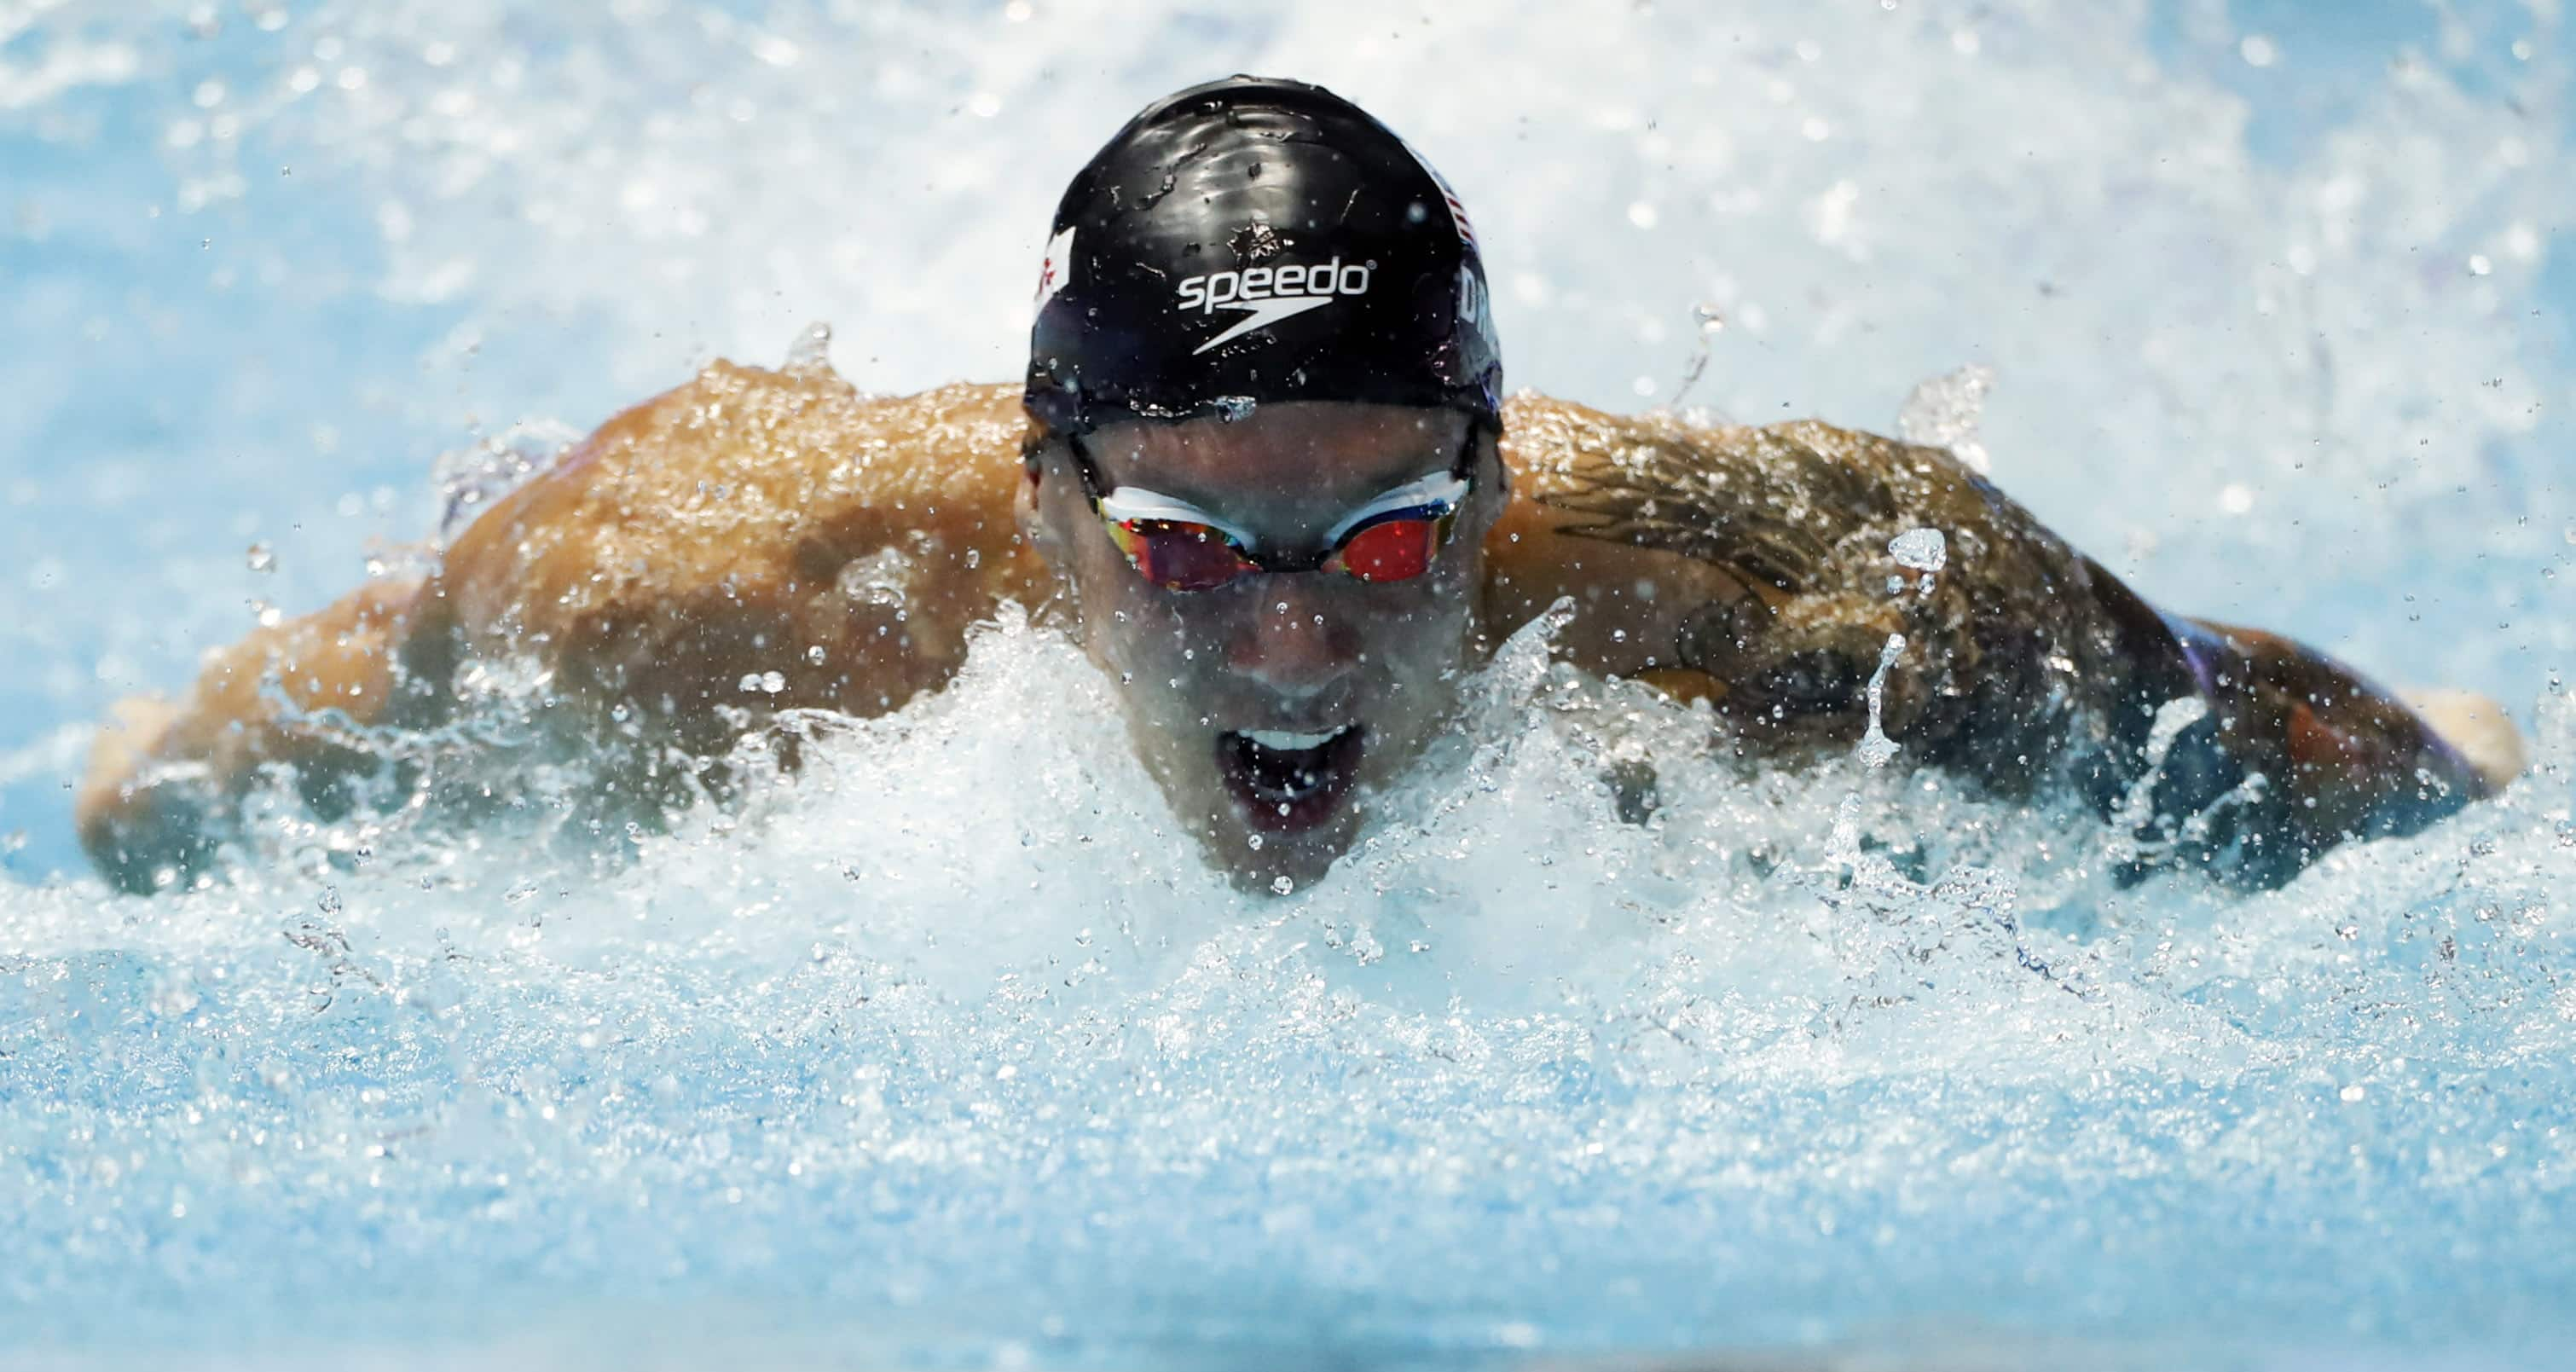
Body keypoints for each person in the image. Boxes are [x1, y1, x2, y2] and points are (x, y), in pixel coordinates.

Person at [74, 77, 2523, 896]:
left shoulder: (1820, 601)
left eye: (1373, 538)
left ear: (1493, 480)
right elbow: (219, 771)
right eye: (1178, 546)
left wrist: (2477, 773)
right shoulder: (697, 584)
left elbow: (2282, 748)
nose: (1285, 633)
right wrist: (136, 818)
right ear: (1041, 500)